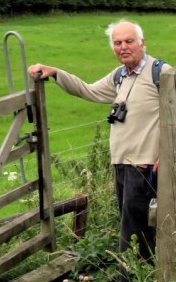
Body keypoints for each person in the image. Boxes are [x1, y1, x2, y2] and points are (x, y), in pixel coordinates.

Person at [28, 21, 167, 265]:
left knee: (135, 232)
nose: (123, 47)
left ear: (142, 43)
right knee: (134, 227)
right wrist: (57, 73)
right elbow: (89, 91)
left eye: (129, 41)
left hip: (145, 168)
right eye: (118, 43)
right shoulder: (120, 76)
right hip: (122, 166)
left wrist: (167, 154)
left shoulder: (161, 73)